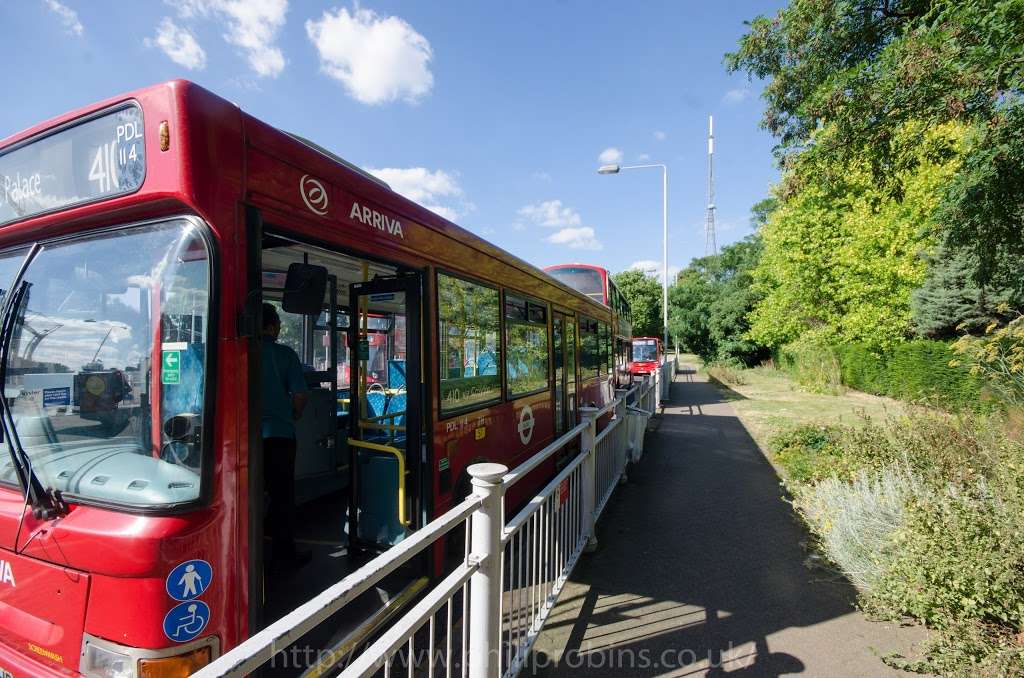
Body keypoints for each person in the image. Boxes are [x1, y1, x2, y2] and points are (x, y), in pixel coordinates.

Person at [261, 303, 311, 570]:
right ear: (269, 326)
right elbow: (301, 395)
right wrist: (292, 414)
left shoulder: (238, 351)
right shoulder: (284, 355)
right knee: (281, 496)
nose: (279, 330)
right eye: (278, 325)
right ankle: (284, 555)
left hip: (242, 440)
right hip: (279, 436)